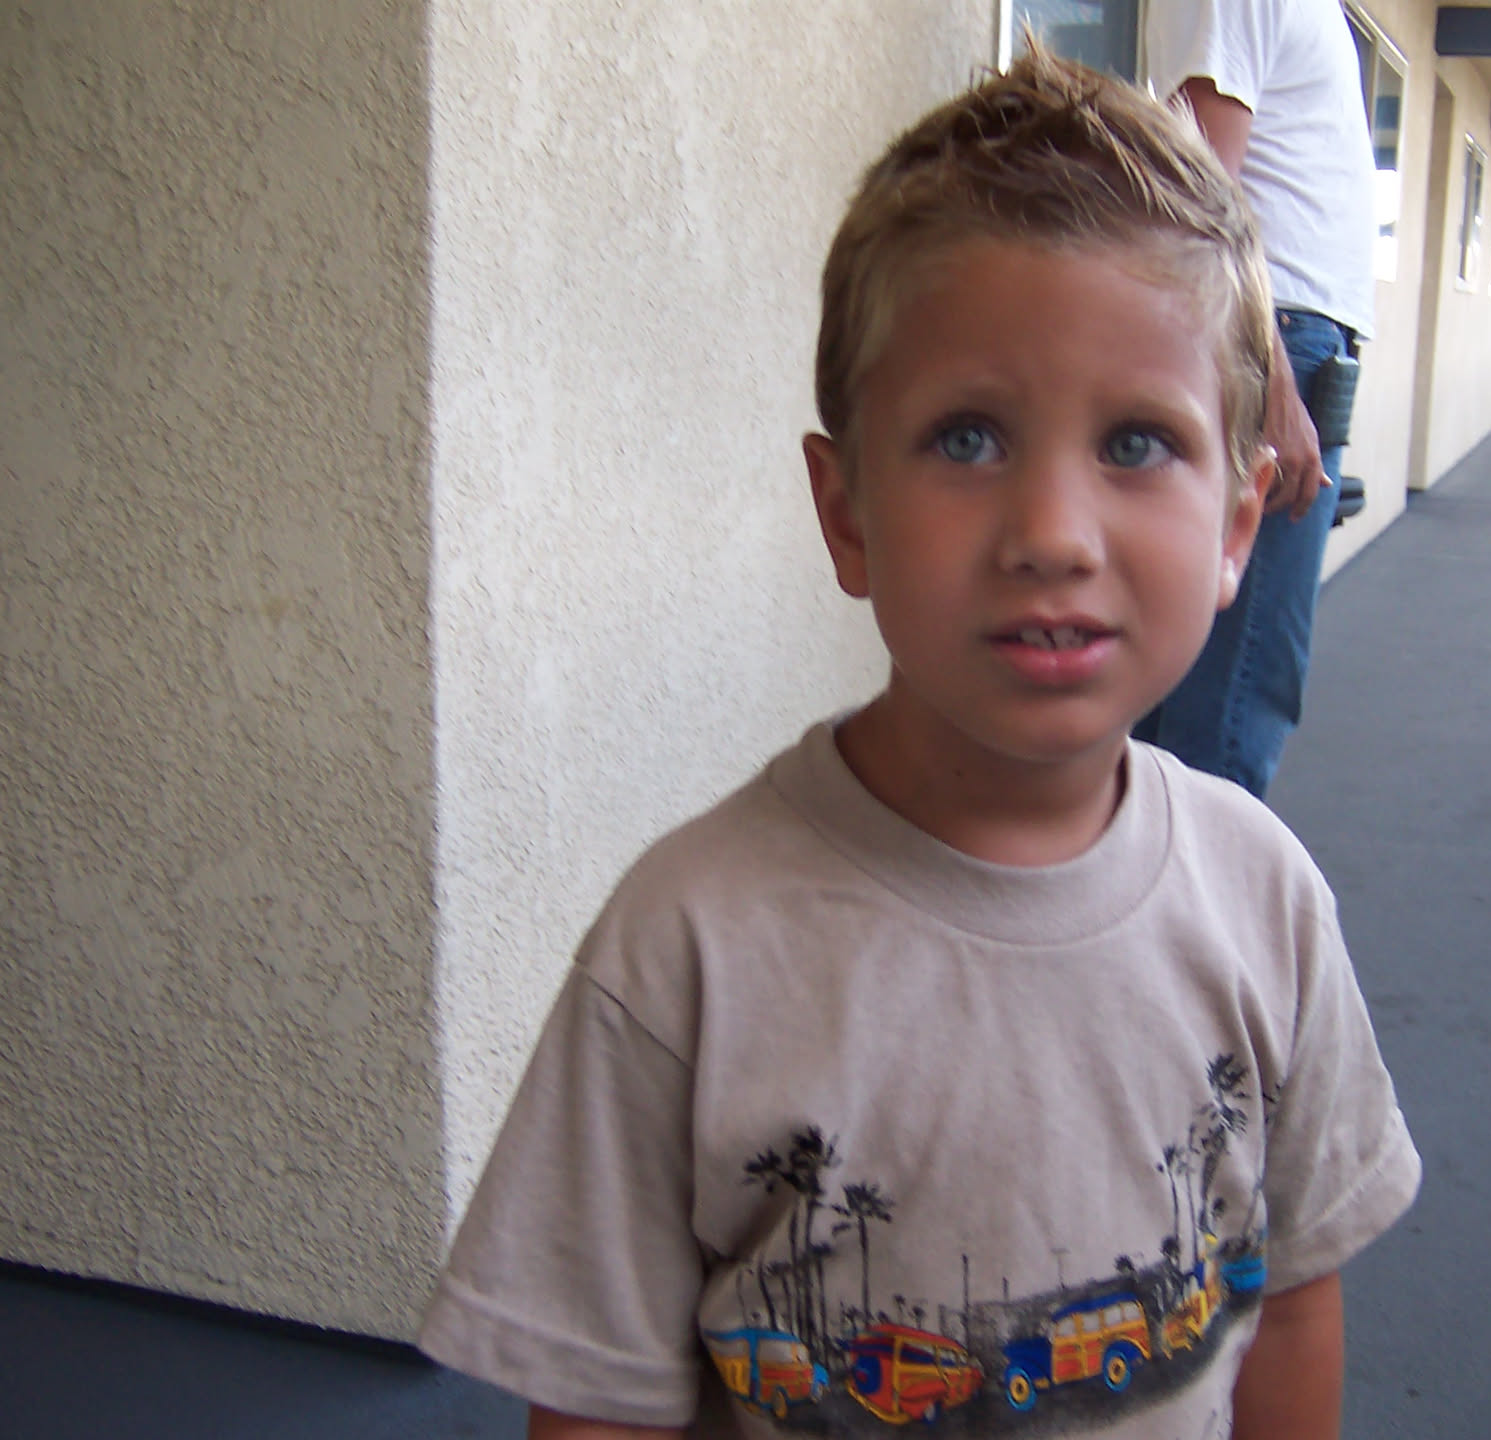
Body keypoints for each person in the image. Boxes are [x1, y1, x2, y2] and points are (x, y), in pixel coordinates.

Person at [417, 48, 1418, 1440]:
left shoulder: (1269, 906)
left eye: (1137, 445)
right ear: (846, 515)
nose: (1053, 535)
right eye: (966, 439)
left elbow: (1294, 1302)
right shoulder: (687, 946)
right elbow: (597, 1406)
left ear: (1240, 524)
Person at [1132, 0, 1378, 799]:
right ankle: (1203, 881)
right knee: (1237, 695)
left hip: (1295, 340)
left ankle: (1156, 871)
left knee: (1207, 685)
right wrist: (1268, 375)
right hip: (1275, 338)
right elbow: (1198, 195)